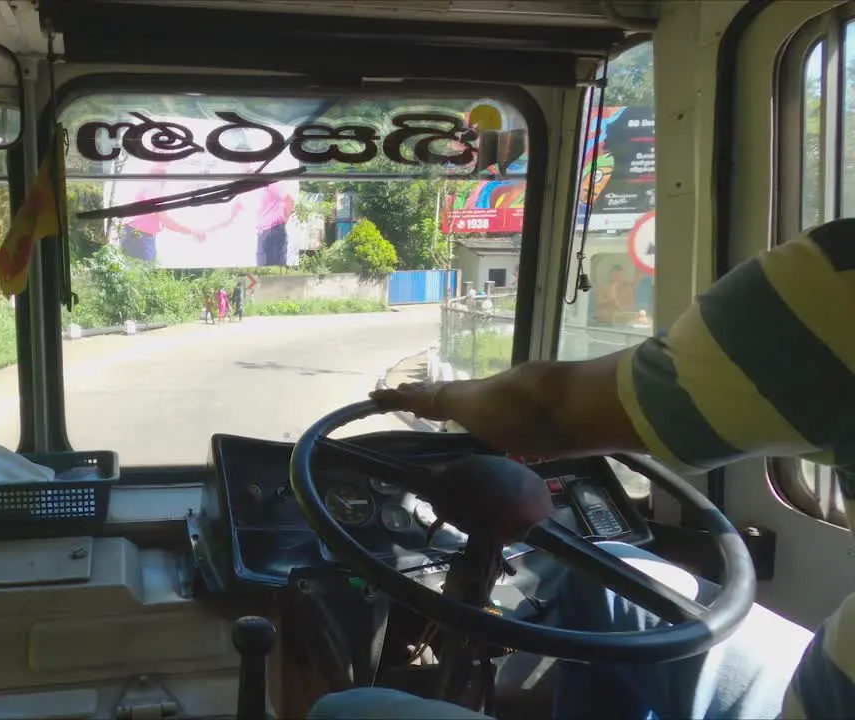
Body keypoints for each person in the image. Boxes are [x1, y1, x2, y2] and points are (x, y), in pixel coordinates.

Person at [311, 218, 855, 720]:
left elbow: (543, 412)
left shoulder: (835, 282)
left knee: (345, 711)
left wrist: (434, 398)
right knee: (609, 568)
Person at [256, 183, 296, 266]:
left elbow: (289, 201)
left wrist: (284, 220)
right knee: (262, 268)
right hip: (262, 233)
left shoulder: (270, 184)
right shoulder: (255, 187)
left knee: (275, 268)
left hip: (273, 232)